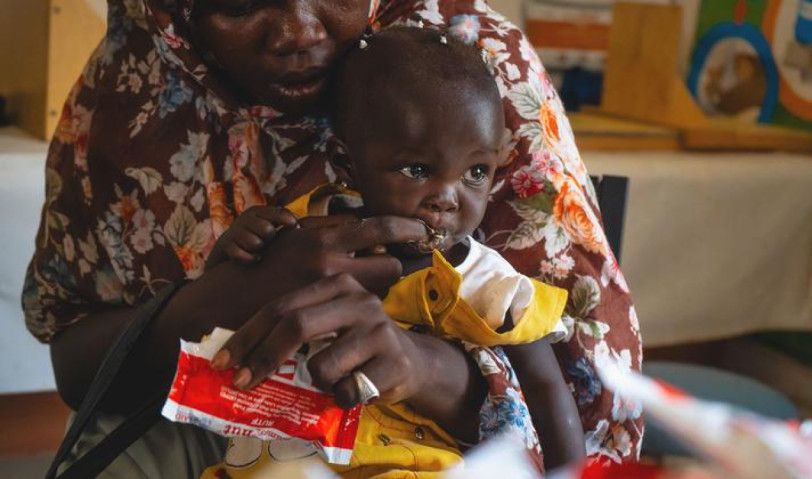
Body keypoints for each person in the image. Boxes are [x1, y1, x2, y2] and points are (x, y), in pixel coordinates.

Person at [23, 0, 642, 476]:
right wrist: (217, 302)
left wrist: (422, 368)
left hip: (443, 446)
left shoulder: (472, 72)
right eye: (241, 2)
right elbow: (81, 371)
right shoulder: (133, 84)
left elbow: (590, 417)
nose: (297, 31)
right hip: (223, 432)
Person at [202, 27, 586, 477]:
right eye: (418, 169)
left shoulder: (486, 282)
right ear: (349, 164)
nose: (447, 196)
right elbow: (219, 311)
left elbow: (545, 389)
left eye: (476, 172)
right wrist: (235, 251)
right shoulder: (304, 232)